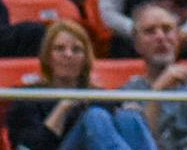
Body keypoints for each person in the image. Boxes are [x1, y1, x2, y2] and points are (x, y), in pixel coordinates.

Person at [9, 19, 156, 150]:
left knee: (128, 117)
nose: (68, 55)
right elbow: (26, 147)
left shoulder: (98, 96)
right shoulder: (28, 97)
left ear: (86, 59)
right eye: (59, 49)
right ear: (47, 56)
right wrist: (63, 107)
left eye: (76, 50)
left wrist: (130, 108)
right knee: (94, 116)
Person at [122, 1, 187, 150]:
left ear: (178, 37)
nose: (160, 37)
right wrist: (158, 90)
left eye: (167, 29)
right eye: (150, 31)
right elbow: (139, 142)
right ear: (136, 44)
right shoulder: (128, 92)